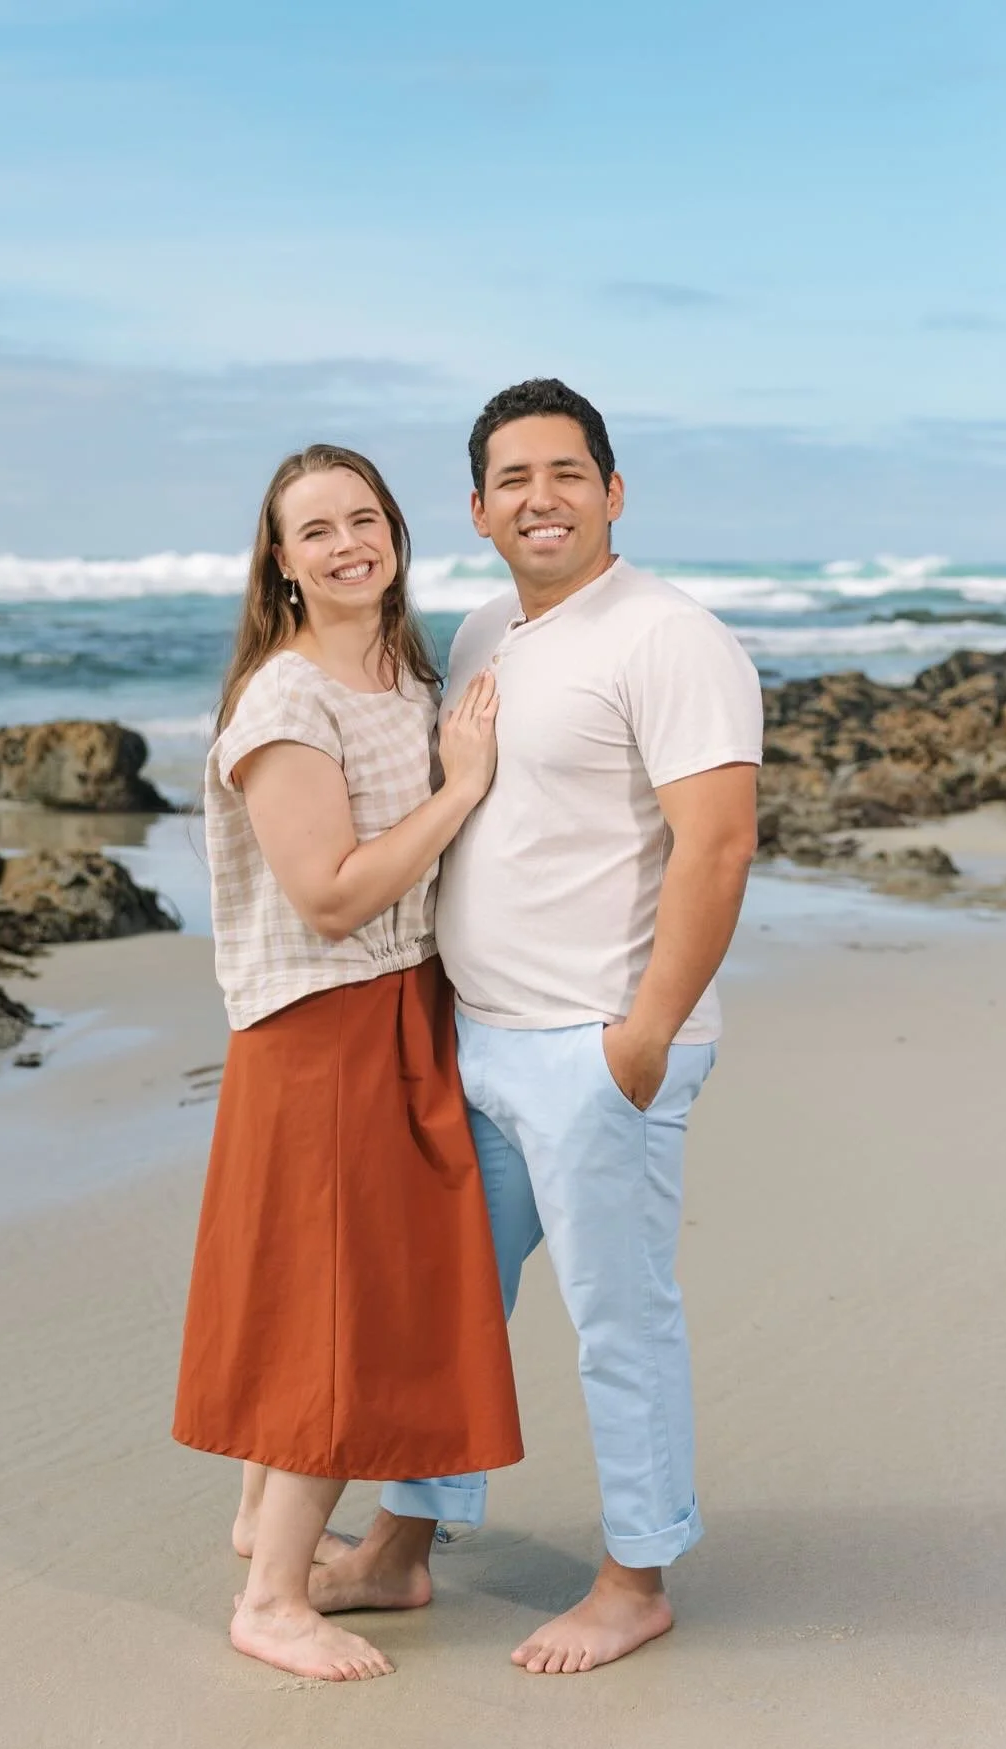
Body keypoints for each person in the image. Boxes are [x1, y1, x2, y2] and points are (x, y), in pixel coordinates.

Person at [309, 379, 764, 1675]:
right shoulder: (480, 633)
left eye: (565, 473)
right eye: (512, 480)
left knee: (617, 1317)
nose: (539, 498)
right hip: (483, 1042)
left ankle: (636, 1576)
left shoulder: (668, 637)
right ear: (476, 510)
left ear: (612, 493)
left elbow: (717, 846)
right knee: (443, 1308)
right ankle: (404, 1549)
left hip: (597, 1047)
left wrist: (643, 1035)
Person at [172, 443, 523, 1683]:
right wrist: (463, 788)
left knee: (329, 1292)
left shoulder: (400, 668)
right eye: (313, 529)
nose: (344, 543)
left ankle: (273, 1528)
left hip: (399, 1008)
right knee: (331, 1309)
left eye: (361, 517)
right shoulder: (285, 698)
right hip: (322, 1025)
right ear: (280, 559)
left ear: (396, 532)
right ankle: (272, 1596)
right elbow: (326, 895)